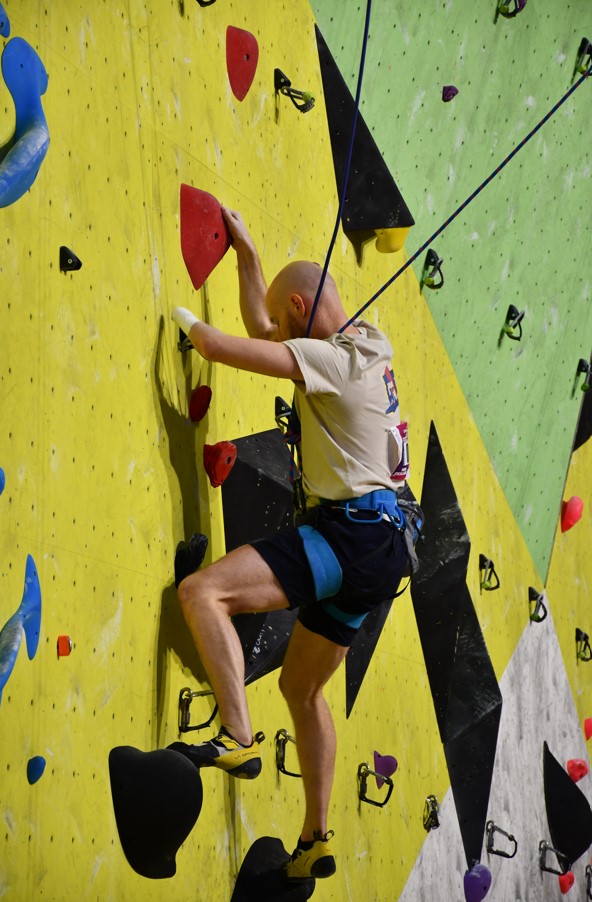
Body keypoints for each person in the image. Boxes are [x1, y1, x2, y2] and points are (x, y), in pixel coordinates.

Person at [169, 208, 410, 882]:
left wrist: (180, 318)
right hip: (384, 546)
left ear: (302, 307)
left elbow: (224, 345)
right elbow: (266, 331)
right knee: (303, 689)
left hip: (350, 533)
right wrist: (247, 253)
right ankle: (315, 838)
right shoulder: (366, 346)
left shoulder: (329, 360)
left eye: (285, 319)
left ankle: (237, 739)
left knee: (204, 593)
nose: (275, 333)